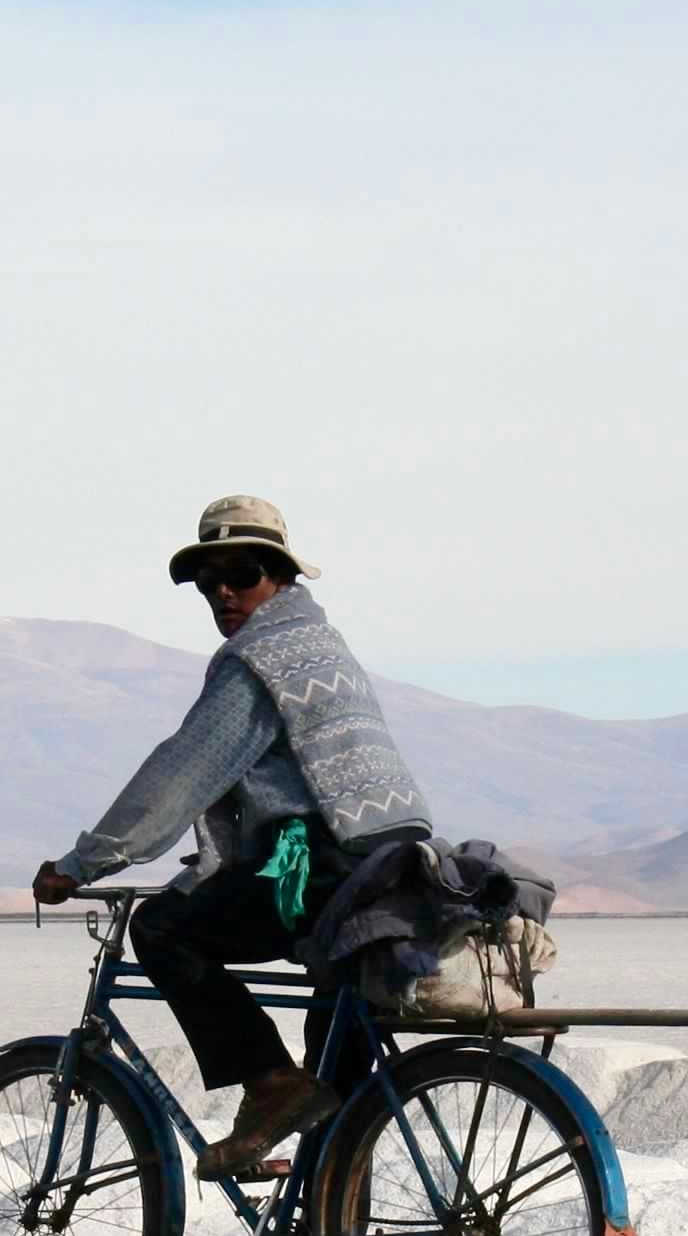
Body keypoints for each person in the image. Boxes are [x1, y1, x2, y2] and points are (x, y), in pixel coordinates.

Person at [34, 497, 434, 1175]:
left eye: (241, 572)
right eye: (206, 581)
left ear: (277, 575)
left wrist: (82, 864)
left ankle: (270, 1084)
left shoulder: (262, 659)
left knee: (165, 928)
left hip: (319, 865)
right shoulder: (322, 645)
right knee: (336, 1090)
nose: (222, 592)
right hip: (388, 873)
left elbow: (181, 773)